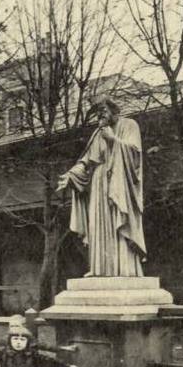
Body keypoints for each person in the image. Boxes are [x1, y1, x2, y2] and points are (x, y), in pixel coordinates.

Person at [56, 99, 146, 277]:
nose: (100, 115)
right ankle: (100, 269)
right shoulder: (98, 134)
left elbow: (135, 153)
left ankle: (124, 269)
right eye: (98, 112)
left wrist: (113, 140)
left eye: (104, 111)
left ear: (114, 111)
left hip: (120, 184)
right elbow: (86, 161)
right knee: (98, 223)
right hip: (98, 183)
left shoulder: (129, 125)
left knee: (118, 221)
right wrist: (71, 175)